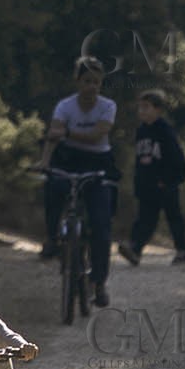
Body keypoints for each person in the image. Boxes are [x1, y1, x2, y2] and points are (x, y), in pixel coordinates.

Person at [38, 56, 119, 307]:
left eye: (96, 82)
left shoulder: (108, 106)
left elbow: (97, 135)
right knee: (53, 188)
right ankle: (53, 238)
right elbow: (53, 136)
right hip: (67, 160)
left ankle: (98, 282)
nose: (91, 87)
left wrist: (67, 133)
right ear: (77, 81)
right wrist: (45, 162)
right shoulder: (65, 106)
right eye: (87, 81)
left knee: (101, 224)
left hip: (98, 163)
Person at [117, 90, 185, 265]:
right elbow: (140, 161)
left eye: (146, 107)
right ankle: (135, 249)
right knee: (145, 218)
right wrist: (138, 182)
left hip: (166, 183)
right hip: (147, 184)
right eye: (140, 108)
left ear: (158, 110)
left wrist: (170, 179)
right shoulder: (141, 131)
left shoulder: (165, 131)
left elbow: (176, 157)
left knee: (173, 217)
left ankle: (183, 248)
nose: (142, 111)